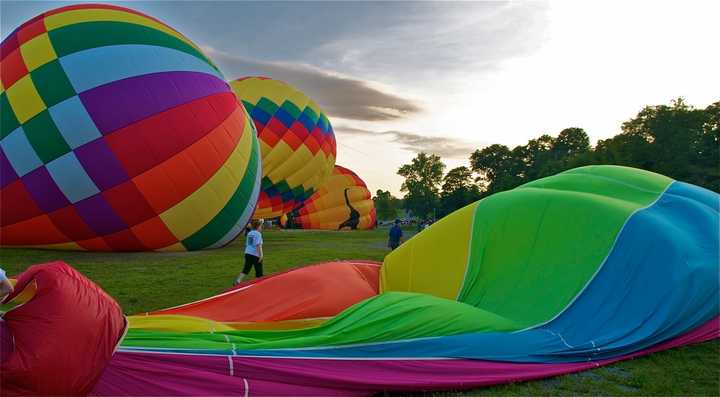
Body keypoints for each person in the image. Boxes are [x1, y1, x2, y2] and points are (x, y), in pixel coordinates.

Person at [235, 219, 264, 284]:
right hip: (255, 254)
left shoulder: (249, 233)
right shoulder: (258, 234)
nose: (261, 228)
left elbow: (249, 243)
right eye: (260, 226)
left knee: (246, 268)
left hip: (248, 253)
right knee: (259, 270)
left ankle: (238, 280)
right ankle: (259, 282)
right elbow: (258, 245)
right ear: (258, 227)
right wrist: (261, 255)